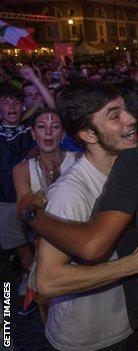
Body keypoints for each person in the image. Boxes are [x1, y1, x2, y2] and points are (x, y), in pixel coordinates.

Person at [34, 81, 138, 350]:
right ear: (88, 134)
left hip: (126, 324)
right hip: (86, 339)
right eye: (115, 115)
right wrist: (133, 264)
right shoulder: (70, 193)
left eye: (126, 110)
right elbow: (47, 282)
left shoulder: (130, 170)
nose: (131, 119)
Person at [12, 107, 79, 318]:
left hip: (81, 249)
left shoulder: (79, 160)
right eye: (41, 127)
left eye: (55, 127)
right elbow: (23, 212)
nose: (48, 132)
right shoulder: (22, 169)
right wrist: (35, 198)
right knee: (50, 314)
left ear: (63, 134)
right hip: (44, 254)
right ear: (33, 134)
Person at [0, 83, 33, 311]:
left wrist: (32, 77)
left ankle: (32, 284)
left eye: (16, 102)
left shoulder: (30, 130)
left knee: (30, 246)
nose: (11, 106)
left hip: (26, 200)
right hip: (4, 202)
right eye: (5, 101)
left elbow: (52, 107)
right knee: (19, 245)